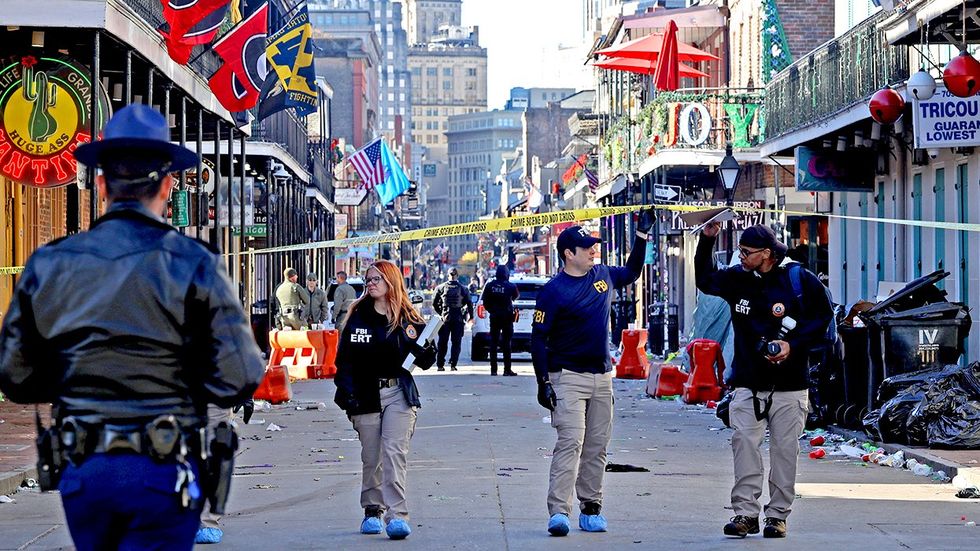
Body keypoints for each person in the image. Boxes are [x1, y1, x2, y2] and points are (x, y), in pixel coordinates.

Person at [0, 104, 265, 551]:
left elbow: (14, 375)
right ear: (166, 186)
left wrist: (75, 373)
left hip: (85, 466)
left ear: (101, 184)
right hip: (164, 463)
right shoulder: (195, 262)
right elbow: (241, 375)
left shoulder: (51, 262)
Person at [694, 223, 833, 539]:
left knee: (785, 452)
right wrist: (707, 239)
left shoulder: (799, 280)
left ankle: (777, 516)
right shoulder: (737, 280)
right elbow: (704, 280)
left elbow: (822, 319)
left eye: (747, 252)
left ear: (768, 254)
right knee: (744, 444)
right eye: (740, 250)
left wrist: (791, 345)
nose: (741, 257)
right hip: (747, 382)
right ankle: (745, 513)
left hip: (790, 385)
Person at [531, 214, 651, 537]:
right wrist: (543, 382)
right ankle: (559, 511)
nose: (592, 251)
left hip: (602, 377)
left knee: (597, 445)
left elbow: (633, 272)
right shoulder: (553, 292)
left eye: (593, 246)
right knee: (571, 442)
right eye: (586, 248)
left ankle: (591, 507)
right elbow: (538, 339)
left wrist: (641, 235)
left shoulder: (602, 276)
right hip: (567, 377)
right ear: (568, 253)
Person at [333, 260, 436, 540]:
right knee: (372, 457)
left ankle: (397, 515)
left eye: (377, 278)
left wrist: (424, 347)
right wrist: (347, 397)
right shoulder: (358, 316)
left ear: (391, 281)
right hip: (365, 395)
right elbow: (343, 362)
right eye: (368, 279)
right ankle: (372, 509)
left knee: (394, 454)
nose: (371, 283)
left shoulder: (408, 318)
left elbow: (426, 360)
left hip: (398, 394)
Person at [481, 265, 520, 376]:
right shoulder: (511, 286)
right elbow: (516, 296)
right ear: (507, 274)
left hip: (494, 317)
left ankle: (494, 370)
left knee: (493, 343)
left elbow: (485, 301)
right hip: (507, 317)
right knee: (506, 344)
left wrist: (492, 310)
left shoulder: (490, 286)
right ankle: (507, 370)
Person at [432, 267, 473, 371]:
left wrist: (441, 313)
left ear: (448, 276)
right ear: (457, 276)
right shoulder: (463, 288)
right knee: (456, 343)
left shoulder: (440, 287)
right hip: (458, 318)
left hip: (445, 318)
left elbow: (434, 303)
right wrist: (471, 317)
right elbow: (469, 304)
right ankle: (453, 364)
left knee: (442, 342)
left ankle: (440, 365)